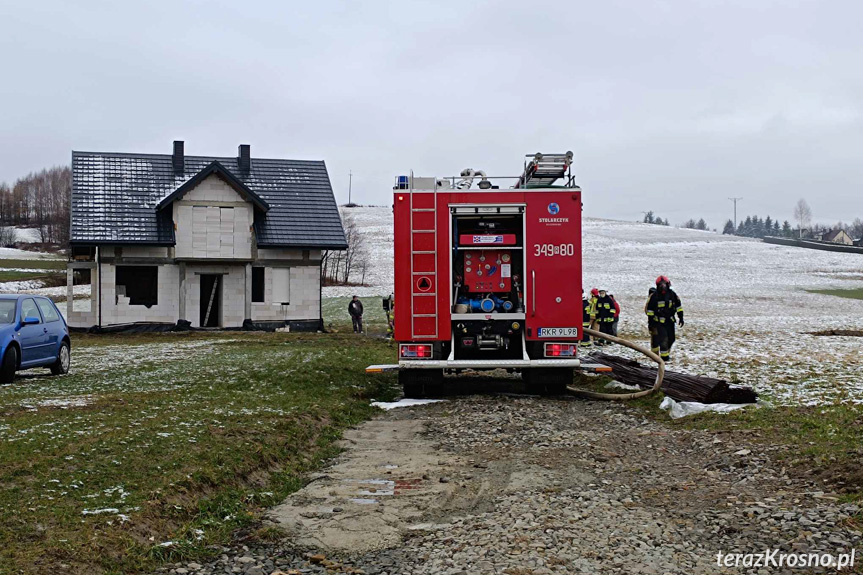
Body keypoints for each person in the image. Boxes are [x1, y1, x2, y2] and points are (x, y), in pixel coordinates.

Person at [644, 276, 683, 361]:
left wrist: (681, 317)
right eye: (661, 284)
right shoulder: (654, 296)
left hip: (670, 321)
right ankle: (663, 358)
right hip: (659, 322)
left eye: (664, 284)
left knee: (671, 339)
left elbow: (678, 306)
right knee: (663, 339)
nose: (663, 286)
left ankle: (664, 354)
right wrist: (651, 323)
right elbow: (650, 311)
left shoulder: (672, 294)